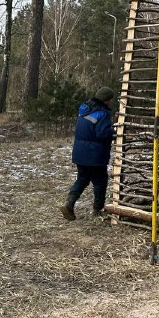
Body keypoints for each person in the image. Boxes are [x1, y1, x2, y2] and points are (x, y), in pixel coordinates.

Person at [60, 86, 115, 221]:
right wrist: (114, 131)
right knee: (100, 182)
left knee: (83, 178)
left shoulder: (84, 109)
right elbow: (102, 134)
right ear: (106, 100)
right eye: (110, 99)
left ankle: (69, 203)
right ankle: (97, 210)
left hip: (80, 153)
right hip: (95, 155)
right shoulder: (102, 114)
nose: (111, 102)